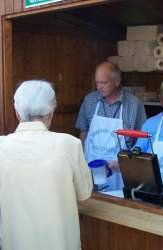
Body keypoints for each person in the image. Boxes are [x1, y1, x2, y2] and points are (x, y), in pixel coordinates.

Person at [0, 80, 93, 250]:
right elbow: (84, 196)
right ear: (51, 112)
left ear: (17, 113)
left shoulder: (1, 146)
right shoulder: (69, 145)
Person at [76, 61, 147, 191]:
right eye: (97, 83)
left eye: (103, 83)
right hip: (91, 167)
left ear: (117, 81)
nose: (99, 87)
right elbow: (83, 131)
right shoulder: (90, 100)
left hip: (120, 173)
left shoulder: (134, 104)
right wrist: (80, 161)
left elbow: (142, 141)